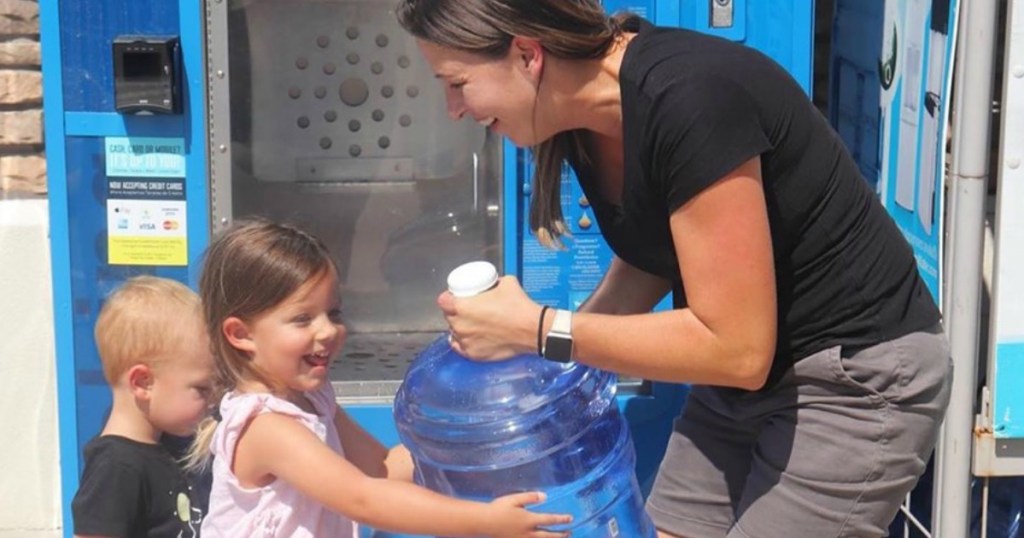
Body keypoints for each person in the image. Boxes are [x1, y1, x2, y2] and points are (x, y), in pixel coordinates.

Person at [396, 1, 953, 537]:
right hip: (743, 384)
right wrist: (537, 378)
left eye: (457, 82)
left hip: (853, 379)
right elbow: (650, 259)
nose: (453, 109)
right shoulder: (587, 119)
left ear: (526, 54)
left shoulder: (689, 98)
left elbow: (737, 348)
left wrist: (540, 331)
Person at [187, 219, 571, 538]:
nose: (328, 332)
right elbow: (362, 498)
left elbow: (384, 466)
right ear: (241, 334)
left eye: (334, 313)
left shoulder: (313, 400)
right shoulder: (265, 426)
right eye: (302, 319)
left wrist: (485, 447)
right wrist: (484, 522)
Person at [72, 276, 213, 538]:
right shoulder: (116, 467)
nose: (213, 400)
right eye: (202, 389)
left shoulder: (174, 445)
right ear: (143, 383)